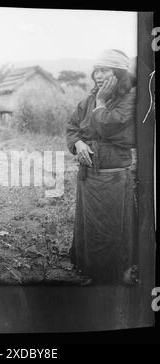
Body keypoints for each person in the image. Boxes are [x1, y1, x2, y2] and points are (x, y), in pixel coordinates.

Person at [66, 49, 138, 285]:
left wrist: (99, 103)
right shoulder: (86, 101)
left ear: (118, 73)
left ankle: (118, 273)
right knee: (92, 228)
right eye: (96, 70)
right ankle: (92, 271)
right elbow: (72, 127)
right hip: (89, 176)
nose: (98, 75)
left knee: (113, 229)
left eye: (104, 70)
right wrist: (77, 143)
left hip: (114, 177)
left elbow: (110, 126)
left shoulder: (130, 99)